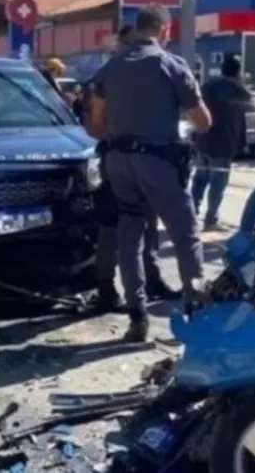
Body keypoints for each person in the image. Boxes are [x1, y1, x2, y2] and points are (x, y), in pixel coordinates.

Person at [86, 4, 212, 342]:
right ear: (165, 30)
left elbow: (96, 124)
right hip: (157, 161)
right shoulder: (170, 64)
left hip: (118, 161)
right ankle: (196, 313)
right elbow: (203, 121)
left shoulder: (110, 67)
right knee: (185, 233)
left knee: (130, 232)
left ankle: (137, 317)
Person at [90, 23, 180, 313]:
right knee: (112, 226)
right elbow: (93, 123)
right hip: (116, 160)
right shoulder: (107, 75)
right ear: (121, 44)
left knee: (148, 224)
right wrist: (120, 140)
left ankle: (152, 281)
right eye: (130, 45)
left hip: (143, 160)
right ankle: (106, 287)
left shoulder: (145, 75)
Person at [191, 54, 251, 231]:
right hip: (223, 142)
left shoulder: (208, 86)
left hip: (203, 139)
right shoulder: (235, 89)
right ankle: (211, 219)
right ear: (238, 71)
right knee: (218, 182)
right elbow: (248, 99)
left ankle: (191, 214)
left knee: (200, 179)